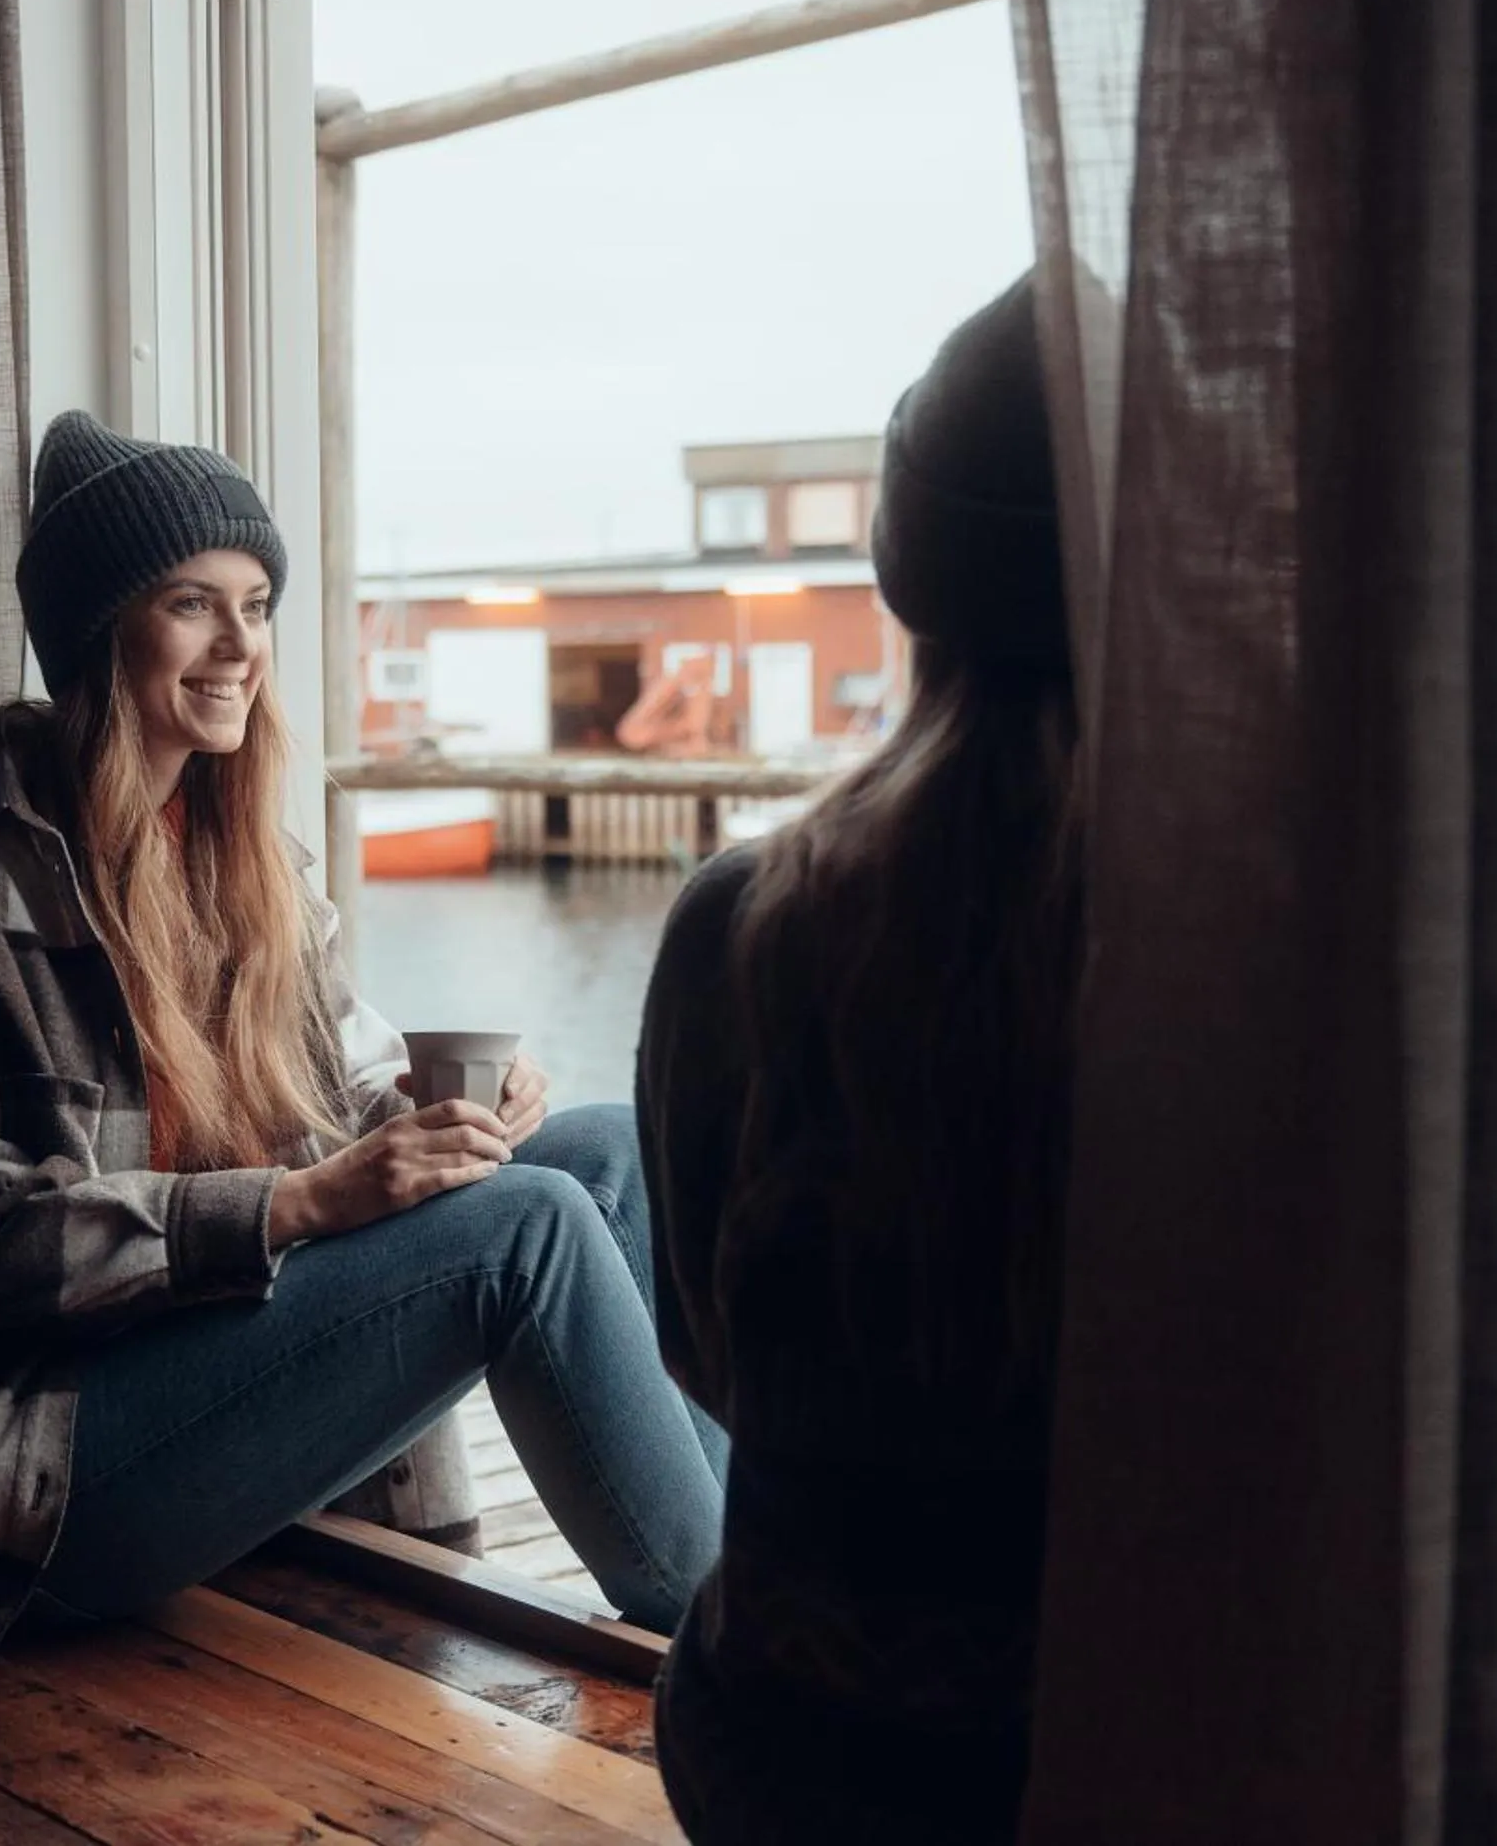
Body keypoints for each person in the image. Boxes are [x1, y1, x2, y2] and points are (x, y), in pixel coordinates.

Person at [0, 412, 724, 1690]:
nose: (243, 645)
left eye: (257, 603)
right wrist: (301, 1200)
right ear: (97, 628)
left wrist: (428, 1116)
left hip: (225, 1375)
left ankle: (752, 1574)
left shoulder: (249, 866)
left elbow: (341, 1096)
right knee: (527, 1232)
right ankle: (746, 1638)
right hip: (39, 1451)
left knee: (606, 1155)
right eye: (194, 603)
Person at [639, 278, 1079, 1842]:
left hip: (788, 1744)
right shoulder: (1255, 964)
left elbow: (707, 1359)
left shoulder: (742, 925)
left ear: (908, 582)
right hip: (1114, 1752)